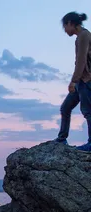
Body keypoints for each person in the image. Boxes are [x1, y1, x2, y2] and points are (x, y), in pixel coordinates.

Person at [57, 12, 91, 150]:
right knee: (65, 108)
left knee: (88, 111)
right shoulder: (79, 38)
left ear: (70, 23)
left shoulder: (84, 35)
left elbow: (82, 61)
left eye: (65, 26)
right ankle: (61, 139)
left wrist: (73, 81)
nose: (65, 30)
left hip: (86, 80)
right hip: (80, 81)